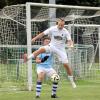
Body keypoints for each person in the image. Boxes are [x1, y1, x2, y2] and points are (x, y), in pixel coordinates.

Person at [24, 18, 76, 88]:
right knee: (41, 49)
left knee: (66, 65)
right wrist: (35, 38)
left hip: (61, 50)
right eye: (60, 25)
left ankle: (72, 81)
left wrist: (71, 45)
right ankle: (28, 58)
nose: (61, 26)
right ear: (57, 23)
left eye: (63, 25)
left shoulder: (65, 31)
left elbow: (70, 40)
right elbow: (42, 34)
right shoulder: (52, 29)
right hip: (52, 46)